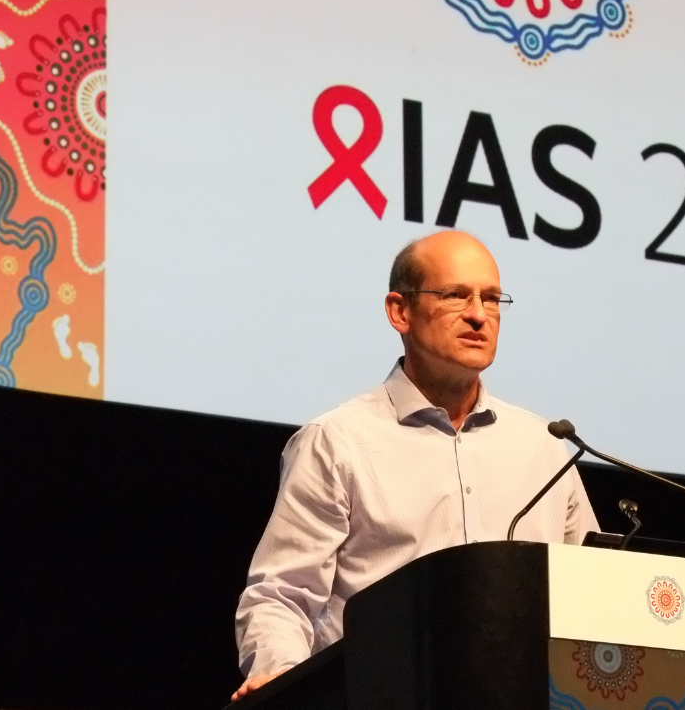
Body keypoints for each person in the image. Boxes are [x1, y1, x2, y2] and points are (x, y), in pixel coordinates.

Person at [231, 231, 599, 701]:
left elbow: (593, 594)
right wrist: (281, 683)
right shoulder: (337, 442)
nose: (478, 315)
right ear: (399, 311)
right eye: (454, 295)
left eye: (491, 299)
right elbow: (282, 595)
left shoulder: (544, 447)